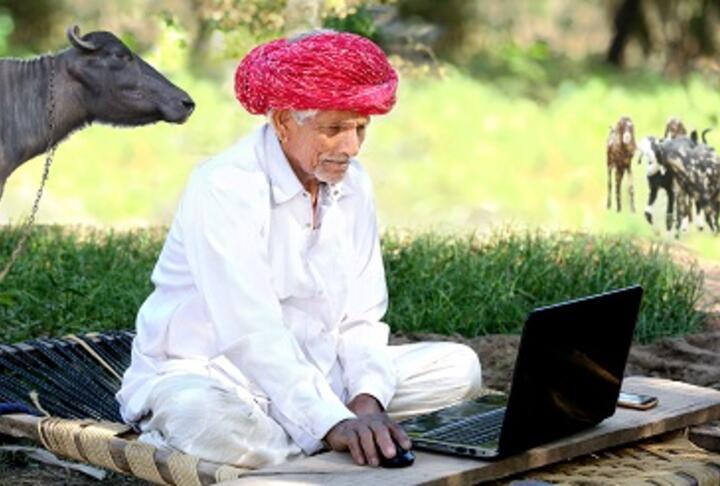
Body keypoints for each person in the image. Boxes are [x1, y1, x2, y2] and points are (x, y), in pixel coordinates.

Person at [117, 30, 483, 469]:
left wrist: (366, 401)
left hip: (321, 377)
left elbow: (363, 318)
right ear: (283, 122)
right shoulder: (224, 186)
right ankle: (323, 442)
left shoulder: (354, 183)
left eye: (360, 128)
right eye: (333, 129)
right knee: (204, 420)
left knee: (459, 369)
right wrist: (331, 420)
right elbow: (250, 333)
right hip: (215, 377)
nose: (350, 147)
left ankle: (315, 441)